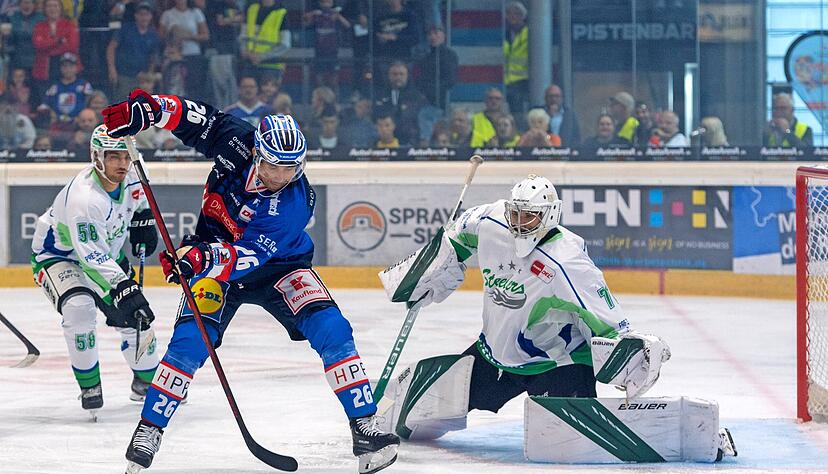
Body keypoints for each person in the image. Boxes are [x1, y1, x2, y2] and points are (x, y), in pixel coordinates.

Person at [102, 89, 399, 473]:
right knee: (189, 344)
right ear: (257, 154)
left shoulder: (294, 202)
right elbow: (191, 117)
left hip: (280, 266)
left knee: (333, 328)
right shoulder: (236, 140)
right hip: (213, 260)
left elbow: (249, 256)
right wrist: (149, 111)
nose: (280, 177)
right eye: (274, 166)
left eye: (290, 168)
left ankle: (364, 426)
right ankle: (149, 429)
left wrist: (199, 259)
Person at [376, 174, 675, 442]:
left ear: (550, 216)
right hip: (494, 356)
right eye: (514, 213)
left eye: (529, 216)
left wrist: (631, 356)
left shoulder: (567, 262)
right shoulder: (490, 220)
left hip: (558, 364)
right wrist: (435, 267)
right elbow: (458, 236)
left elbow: (606, 319)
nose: (518, 223)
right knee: (413, 420)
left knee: (564, 443)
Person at [30, 124, 160, 418]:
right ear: (96, 156)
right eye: (114, 157)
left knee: (135, 316)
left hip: (106, 253)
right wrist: (124, 288)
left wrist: (144, 219)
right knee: (80, 308)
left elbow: (141, 203)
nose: (123, 164)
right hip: (59, 256)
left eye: (126, 156)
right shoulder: (85, 199)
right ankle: (89, 384)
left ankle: (145, 382)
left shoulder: (136, 172)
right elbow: (91, 258)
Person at [106, 1, 161, 101]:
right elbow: (111, 48)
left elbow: (154, 57)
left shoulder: (153, 35)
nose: (144, 17)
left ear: (151, 16)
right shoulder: (125, 29)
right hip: (124, 76)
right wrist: (112, 69)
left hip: (142, 79)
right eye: (141, 14)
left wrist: (149, 75)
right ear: (136, 15)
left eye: (147, 14)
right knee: (122, 105)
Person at [240, 0, 290, 80]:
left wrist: (261, 57)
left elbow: (285, 44)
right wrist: (244, 51)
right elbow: (243, 35)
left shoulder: (281, 12)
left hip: (271, 65)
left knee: (268, 91)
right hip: (249, 63)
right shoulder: (251, 9)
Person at [503, 1, 529, 119]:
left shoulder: (529, 33)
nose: (511, 17)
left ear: (522, 16)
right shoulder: (504, 34)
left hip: (524, 81)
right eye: (509, 13)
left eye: (515, 14)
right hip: (507, 80)